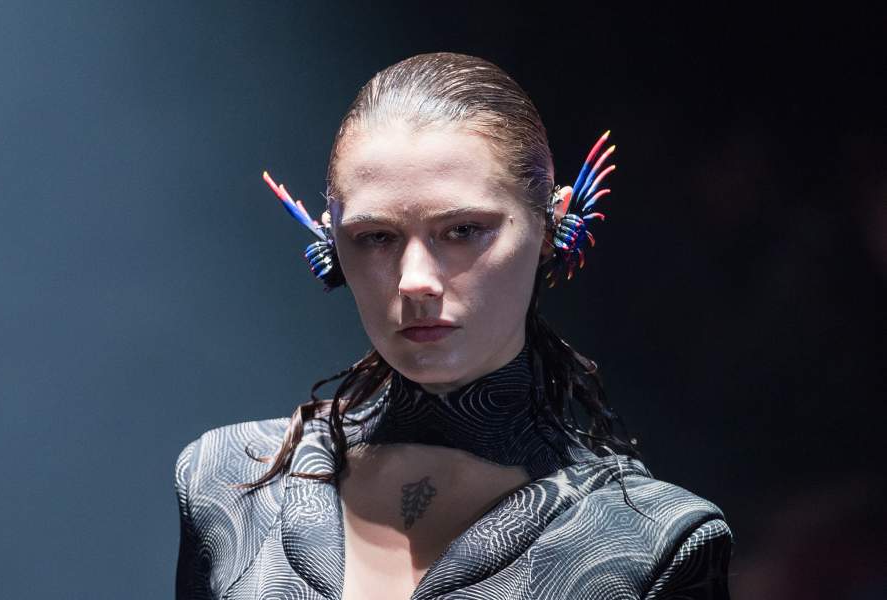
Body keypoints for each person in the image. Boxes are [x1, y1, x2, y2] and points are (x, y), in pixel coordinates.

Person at [174, 52, 733, 599]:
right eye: (376, 237)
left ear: (550, 226)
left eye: (464, 230)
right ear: (331, 242)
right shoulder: (227, 482)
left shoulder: (651, 543)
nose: (415, 280)